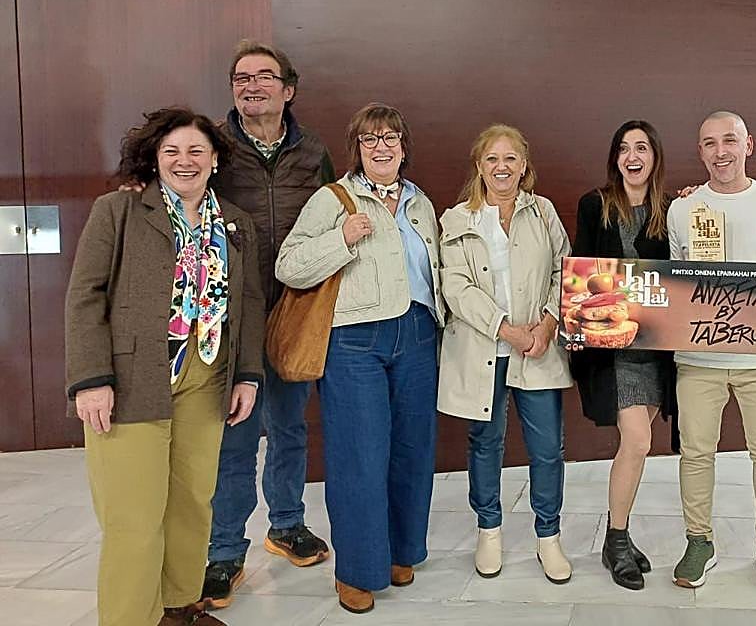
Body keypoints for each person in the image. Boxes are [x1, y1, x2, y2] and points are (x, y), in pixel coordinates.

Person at [66, 107, 264, 626]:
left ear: (215, 159)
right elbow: (85, 295)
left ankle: (179, 607)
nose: (185, 160)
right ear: (155, 159)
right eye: (172, 151)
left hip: (207, 378)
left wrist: (246, 373)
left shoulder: (236, 223)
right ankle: (132, 617)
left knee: (193, 503)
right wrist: (90, 380)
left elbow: (247, 302)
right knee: (134, 516)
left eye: (197, 150)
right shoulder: (119, 211)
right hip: (133, 380)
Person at [276, 103, 443, 615]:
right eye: (370, 139)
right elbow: (289, 265)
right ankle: (358, 570)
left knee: (412, 451)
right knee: (358, 456)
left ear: (404, 146)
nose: (382, 147)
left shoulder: (421, 203)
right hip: (353, 341)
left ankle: (400, 550)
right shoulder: (334, 199)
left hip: (416, 336)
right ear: (357, 148)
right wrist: (341, 239)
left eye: (391, 137)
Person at [203, 39, 335, 609]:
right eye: (240, 77)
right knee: (234, 437)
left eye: (264, 76)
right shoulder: (213, 146)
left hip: (293, 310)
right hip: (231, 314)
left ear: (288, 90)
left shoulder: (314, 152)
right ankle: (224, 551)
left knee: (289, 427)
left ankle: (286, 524)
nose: (250, 85)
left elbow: (334, 216)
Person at [667, 111, 756, 593]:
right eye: (709, 143)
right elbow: (676, 284)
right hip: (698, 359)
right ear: (700, 152)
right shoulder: (682, 209)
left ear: (749, 144)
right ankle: (698, 540)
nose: (721, 151)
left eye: (729, 140)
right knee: (695, 452)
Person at [436, 124, 574, 584]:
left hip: (539, 346)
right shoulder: (457, 219)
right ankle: (488, 530)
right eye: (492, 159)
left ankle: (548, 536)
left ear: (524, 166)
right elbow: (454, 286)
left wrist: (548, 324)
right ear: (479, 166)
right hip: (484, 348)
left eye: (511, 158)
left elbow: (564, 268)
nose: (502, 167)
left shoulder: (544, 211)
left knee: (547, 449)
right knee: (486, 443)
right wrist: (507, 330)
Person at [568, 120, 675, 590]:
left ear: (654, 157)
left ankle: (620, 531)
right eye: (624, 149)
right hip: (614, 349)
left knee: (635, 446)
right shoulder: (595, 204)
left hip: (657, 351)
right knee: (637, 442)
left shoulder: (671, 210)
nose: (633, 156)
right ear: (615, 157)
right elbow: (581, 271)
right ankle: (615, 540)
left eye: (642, 148)